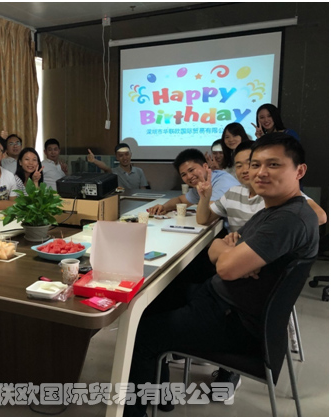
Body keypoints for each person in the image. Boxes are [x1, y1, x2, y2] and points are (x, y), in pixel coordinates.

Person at [124, 133, 319, 416]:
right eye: (255, 164)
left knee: (141, 333)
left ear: (299, 171)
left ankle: (137, 411)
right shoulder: (272, 209)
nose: (259, 172)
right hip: (225, 301)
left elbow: (226, 267)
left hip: (235, 320)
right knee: (153, 301)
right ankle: (162, 396)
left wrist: (228, 255)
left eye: (274, 165)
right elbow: (220, 251)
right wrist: (227, 251)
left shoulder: (288, 219)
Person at [197, 140, 327, 231]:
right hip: (235, 254)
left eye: (251, 164)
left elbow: (320, 217)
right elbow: (203, 219)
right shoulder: (232, 193)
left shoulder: (275, 194)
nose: (244, 170)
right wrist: (204, 197)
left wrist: (264, 234)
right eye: (239, 165)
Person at [148, 149, 239, 215]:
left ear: (205, 166)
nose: (189, 177)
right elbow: (180, 200)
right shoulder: (201, 184)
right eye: (184, 174)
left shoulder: (222, 181)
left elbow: (207, 214)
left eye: (191, 170)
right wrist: (164, 207)